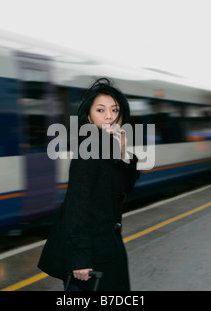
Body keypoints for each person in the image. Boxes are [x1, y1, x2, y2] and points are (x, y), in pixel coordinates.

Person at [38, 77, 140, 291]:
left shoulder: (110, 148)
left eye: (115, 109)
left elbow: (125, 189)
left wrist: (123, 154)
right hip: (92, 256)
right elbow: (77, 206)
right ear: (89, 116)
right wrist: (81, 259)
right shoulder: (88, 151)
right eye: (101, 110)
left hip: (107, 248)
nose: (110, 116)